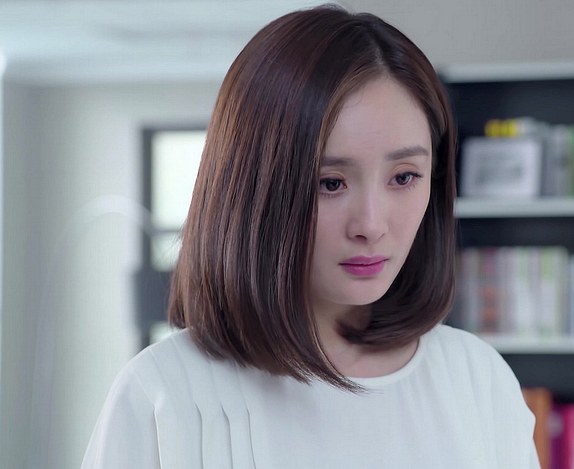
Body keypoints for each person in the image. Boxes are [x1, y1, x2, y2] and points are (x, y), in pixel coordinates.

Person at [81, 5, 538, 468]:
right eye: (330, 183)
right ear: (252, 190)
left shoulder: (477, 381)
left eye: (404, 177)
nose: (371, 225)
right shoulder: (164, 393)